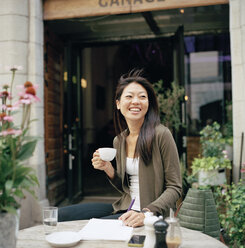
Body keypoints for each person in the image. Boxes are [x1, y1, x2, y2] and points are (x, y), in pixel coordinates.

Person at [58, 69, 182, 227]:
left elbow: (175, 187)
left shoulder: (161, 135)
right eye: (129, 96)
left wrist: (147, 212)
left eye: (142, 97)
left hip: (150, 214)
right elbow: (125, 188)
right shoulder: (120, 140)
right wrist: (108, 169)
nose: (136, 101)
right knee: (61, 215)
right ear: (118, 104)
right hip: (125, 207)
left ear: (148, 103)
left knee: (94, 228)